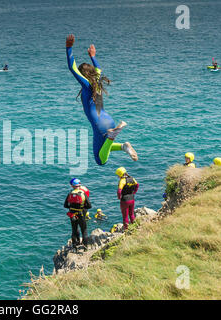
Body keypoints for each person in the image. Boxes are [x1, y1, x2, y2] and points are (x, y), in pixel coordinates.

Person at [66, 34, 138, 166]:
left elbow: (72, 68)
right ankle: (123, 146)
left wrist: (68, 48)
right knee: (103, 148)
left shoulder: (87, 85)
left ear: (83, 75)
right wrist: (93, 56)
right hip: (108, 120)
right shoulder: (97, 81)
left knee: (100, 160)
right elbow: (99, 69)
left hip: (99, 124)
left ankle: (112, 136)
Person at [64, 178, 92, 249]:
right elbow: (89, 206)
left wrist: (72, 207)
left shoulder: (70, 193)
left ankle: (75, 245)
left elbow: (65, 205)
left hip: (72, 214)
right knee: (84, 230)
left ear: (72, 186)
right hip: (81, 214)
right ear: (79, 185)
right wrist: (83, 207)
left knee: (74, 229)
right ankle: (85, 247)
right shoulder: (83, 193)